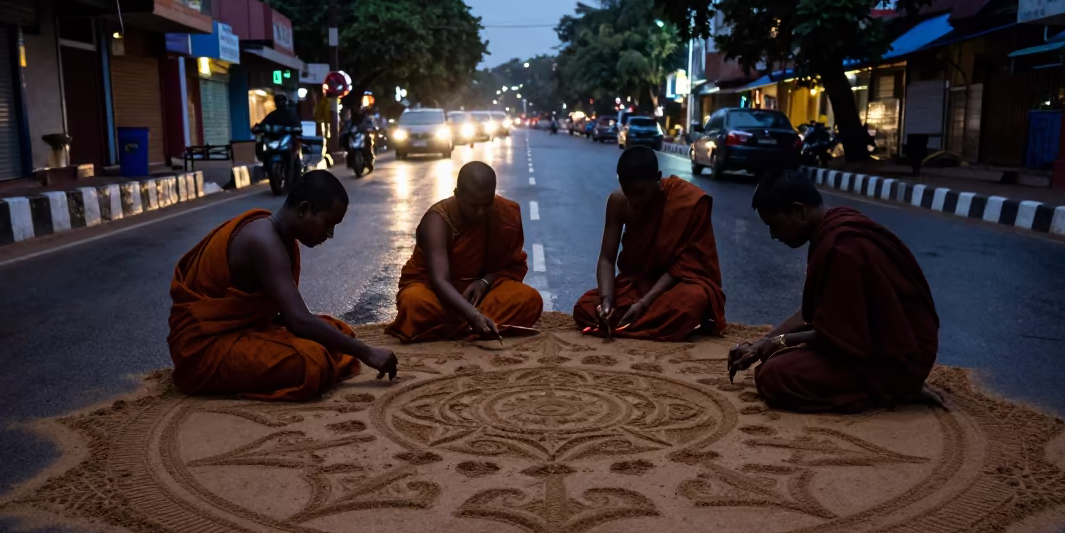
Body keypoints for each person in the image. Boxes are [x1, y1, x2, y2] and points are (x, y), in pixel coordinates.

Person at [169, 170, 397, 400]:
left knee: (339, 331)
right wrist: (368, 353)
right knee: (312, 360)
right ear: (304, 209)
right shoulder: (263, 240)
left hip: (246, 329)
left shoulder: (281, 239)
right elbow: (298, 321)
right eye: (327, 223)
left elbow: (288, 317)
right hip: (204, 348)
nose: (330, 234)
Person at [729, 170, 939, 412]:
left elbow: (842, 338)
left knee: (774, 375)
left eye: (774, 225)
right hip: (882, 343)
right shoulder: (833, 227)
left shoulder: (843, 247)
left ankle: (896, 389)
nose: (773, 236)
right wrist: (762, 343)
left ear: (799, 211)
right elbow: (815, 312)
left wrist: (779, 342)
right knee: (776, 356)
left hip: (899, 359)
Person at [572, 146, 726, 340]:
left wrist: (644, 303)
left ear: (657, 177)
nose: (635, 200)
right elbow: (607, 259)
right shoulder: (619, 201)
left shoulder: (687, 201)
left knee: (694, 300)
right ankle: (640, 325)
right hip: (636, 284)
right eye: (629, 193)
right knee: (585, 306)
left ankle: (625, 326)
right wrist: (607, 302)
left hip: (672, 286)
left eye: (640, 193)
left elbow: (684, 266)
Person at [387, 161, 543, 342]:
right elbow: (439, 280)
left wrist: (484, 282)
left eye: (486, 204)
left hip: (479, 296)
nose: (480, 212)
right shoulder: (438, 220)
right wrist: (473, 315)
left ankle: (453, 328)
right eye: (473, 205)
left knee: (529, 298)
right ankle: (475, 325)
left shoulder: (502, 212)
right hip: (438, 294)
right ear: (457, 194)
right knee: (413, 301)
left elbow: (508, 266)